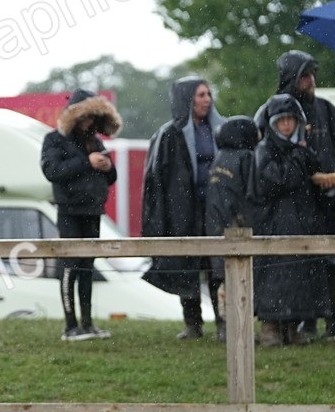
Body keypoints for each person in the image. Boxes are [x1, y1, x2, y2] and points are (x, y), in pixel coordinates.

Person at [141, 77, 227, 339]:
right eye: (201, 95)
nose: (207, 100)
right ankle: (193, 323)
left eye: (208, 94)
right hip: (182, 212)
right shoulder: (169, 135)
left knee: (217, 266)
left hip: (214, 210)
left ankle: (223, 322)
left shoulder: (220, 130)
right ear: (187, 99)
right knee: (186, 265)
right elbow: (156, 182)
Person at [40, 89, 122, 340]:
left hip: (92, 210)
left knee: (88, 267)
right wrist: (88, 162)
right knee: (70, 267)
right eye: (86, 118)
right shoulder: (54, 139)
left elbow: (111, 178)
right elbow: (52, 171)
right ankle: (70, 326)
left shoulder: (94, 141)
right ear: (75, 117)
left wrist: (107, 166)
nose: (90, 123)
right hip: (69, 212)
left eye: (93, 118)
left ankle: (87, 324)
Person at [249, 94, 328, 346]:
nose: (286, 125)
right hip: (273, 224)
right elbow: (279, 181)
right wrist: (299, 157)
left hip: (300, 223)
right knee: (274, 278)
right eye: (281, 120)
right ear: (272, 123)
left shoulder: (300, 150)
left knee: (298, 277)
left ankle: (293, 327)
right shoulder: (264, 150)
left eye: (290, 120)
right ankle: (271, 327)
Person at [269, 50, 335, 337]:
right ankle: (303, 322)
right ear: (291, 78)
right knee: (301, 262)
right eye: (304, 75)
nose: (310, 80)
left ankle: (334, 324)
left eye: (312, 74)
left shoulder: (326, 109)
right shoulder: (275, 112)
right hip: (295, 202)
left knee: (333, 262)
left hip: (331, 200)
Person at [203, 117, 260, 342]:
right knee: (242, 279)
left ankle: (223, 325)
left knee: (221, 278)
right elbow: (251, 193)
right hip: (238, 225)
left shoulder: (219, 158)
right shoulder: (246, 157)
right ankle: (240, 328)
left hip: (216, 225)